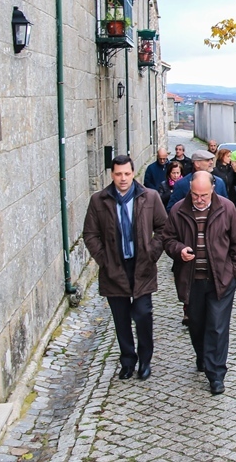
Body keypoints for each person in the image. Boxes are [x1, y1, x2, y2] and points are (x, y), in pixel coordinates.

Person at [83, 155, 167, 380]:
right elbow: (90, 234)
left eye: (127, 174)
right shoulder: (99, 200)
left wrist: (152, 253)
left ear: (133, 173)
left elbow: (163, 228)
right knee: (121, 319)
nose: (123, 178)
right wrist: (104, 259)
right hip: (114, 268)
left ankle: (145, 359)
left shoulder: (149, 197)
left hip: (142, 266)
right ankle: (127, 360)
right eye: (118, 174)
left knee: (142, 314)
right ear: (111, 174)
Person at [163, 172, 236, 395]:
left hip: (221, 279)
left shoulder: (226, 208)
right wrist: (179, 250)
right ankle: (202, 356)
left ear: (213, 190)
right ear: (190, 190)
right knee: (196, 324)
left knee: (217, 326)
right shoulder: (179, 209)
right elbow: (167, 239)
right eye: (195, 195)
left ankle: (216, 374)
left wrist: (234, 272)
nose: (199, 199)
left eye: (204, 195)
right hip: (192, 279)